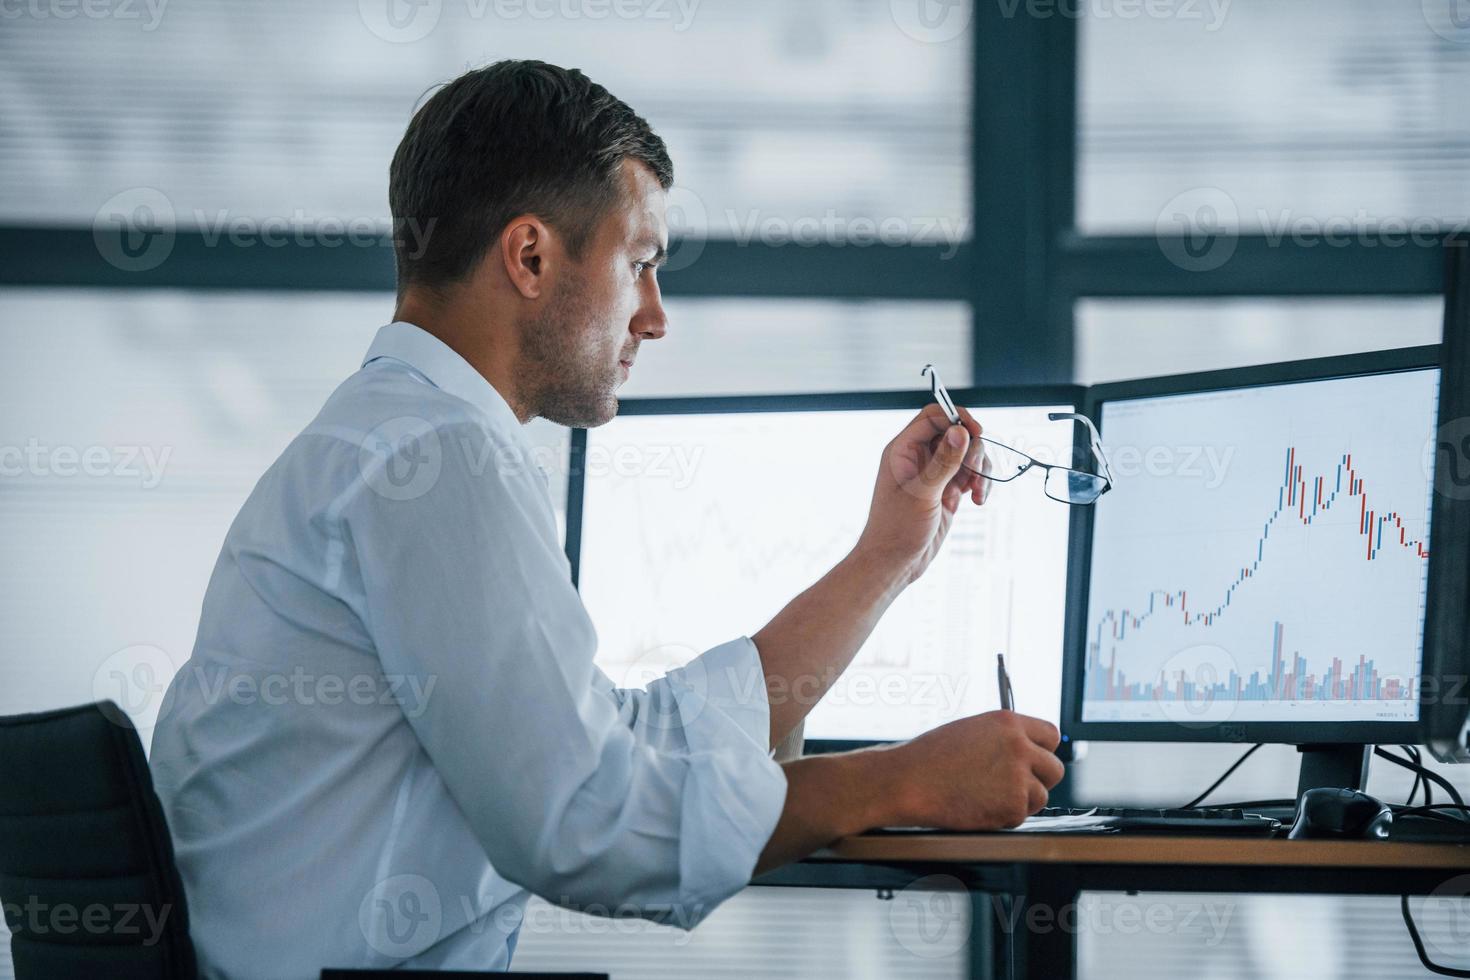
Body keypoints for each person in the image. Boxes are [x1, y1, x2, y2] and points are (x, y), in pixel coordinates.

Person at [148, 59, 1065, 978]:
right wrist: (896, 780)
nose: (656, 317)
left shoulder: (390, 438)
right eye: (641, 265)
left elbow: (608, 746)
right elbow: (587, 825)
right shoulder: (436, 462)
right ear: (532, 256)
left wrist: (888, 558)